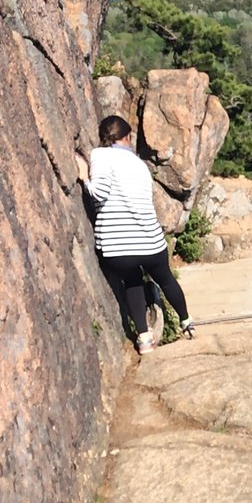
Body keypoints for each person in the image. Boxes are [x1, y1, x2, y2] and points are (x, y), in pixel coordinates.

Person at [76, 115, 194, 354]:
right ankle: (187, 322)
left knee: (132, 281)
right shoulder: (139, 164)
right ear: (127, 137)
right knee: (166, 279)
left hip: (118, 247)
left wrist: (84, 176)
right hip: (150, 241)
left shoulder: (99, 155)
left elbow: (98, 193)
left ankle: (143, 338)